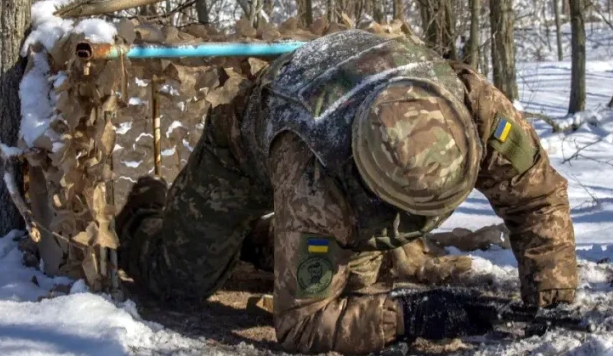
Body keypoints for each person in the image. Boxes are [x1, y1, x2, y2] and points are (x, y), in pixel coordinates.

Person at [118, 29, 578, 354]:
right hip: (242, 154)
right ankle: (143, 207)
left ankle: (267, 245)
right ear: (369, 185)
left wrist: (550, 297)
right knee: (178, 279)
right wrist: (410, 319)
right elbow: (301, 325)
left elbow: (538, 198)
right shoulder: (316, 178)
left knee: (358, 285)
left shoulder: (475, 107)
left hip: (337, 115)